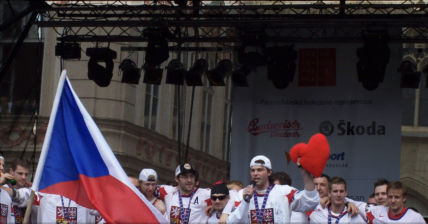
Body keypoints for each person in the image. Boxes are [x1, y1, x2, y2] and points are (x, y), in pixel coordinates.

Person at [227, 155, 319, 223]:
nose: (255, 173)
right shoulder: (242, 194)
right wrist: (245, 202)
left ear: (269, 172)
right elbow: (233, 222)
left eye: (260, 170)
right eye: (252, 170)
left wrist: (304, 173)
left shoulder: (285, 191)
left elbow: (310, 201)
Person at [158, 163, 234, 223]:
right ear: (176, 179)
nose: (189, 180)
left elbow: (233, 196)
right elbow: (148, 187)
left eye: (192, 176)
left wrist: (225, 213)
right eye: (185, 177)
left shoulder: (204, 194)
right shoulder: (168, 191)